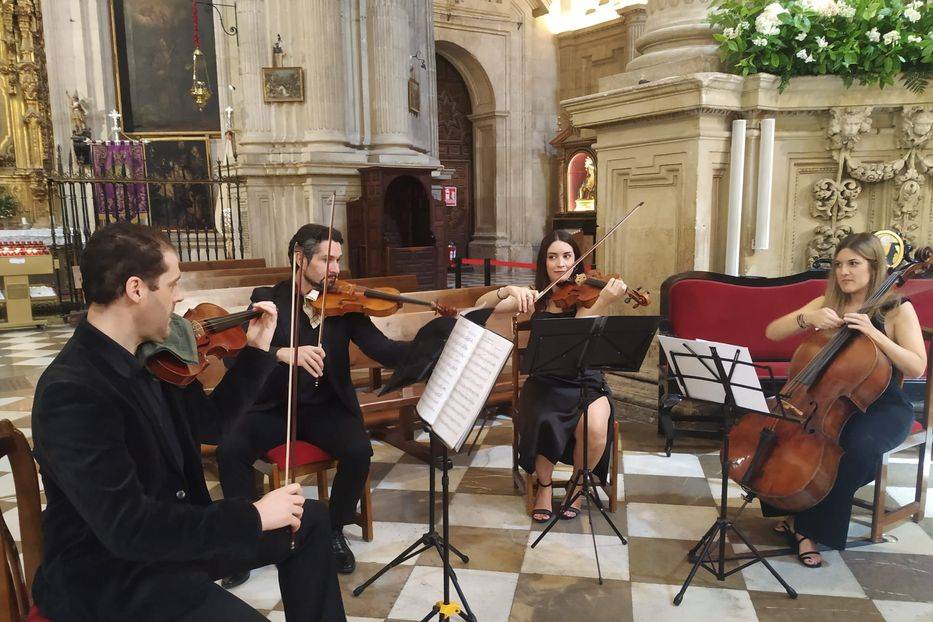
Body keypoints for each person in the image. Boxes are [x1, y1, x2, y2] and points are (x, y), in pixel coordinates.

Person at [30, 222, 346, 621]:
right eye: (173, 285)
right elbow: (129, 527)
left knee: (310, 520)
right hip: (112, 577)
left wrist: (257, 352)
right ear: (136, 289)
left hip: (169, 542)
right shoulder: (72, 392)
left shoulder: (152, 356)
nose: (180, 299)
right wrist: (254, 516)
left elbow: (211, 425)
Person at [217, 224, 409, 578]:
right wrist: (281, 354)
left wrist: (438, 343)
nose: (335, 269)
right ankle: (243, 539)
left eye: (337, 259)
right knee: (230, 449)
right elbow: (236, 357)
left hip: (325, 407)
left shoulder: (345, 305)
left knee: (358, 451)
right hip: (274, 407)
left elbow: (385, 350)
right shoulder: (268, 299)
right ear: (299, 259)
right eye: (326, 259)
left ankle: (333, 530)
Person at [762, 232, 927, 567]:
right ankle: (792, 504)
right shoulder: (827, 302)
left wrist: (874, 333)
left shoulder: (897, 308)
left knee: (856, 448)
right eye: (838, 264)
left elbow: (917, 365)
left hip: (882, 404)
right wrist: (807, 318)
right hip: (826, 399)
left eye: (854, 263)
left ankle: (806, 528)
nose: (844, 272)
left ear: (873, 266)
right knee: (781, 433)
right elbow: (773, 332)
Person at [475, 230, 627, 522]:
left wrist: (603, 303)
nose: (560, 263)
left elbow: (580, 337)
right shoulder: (536, 297)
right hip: (545, 382)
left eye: (567, 256)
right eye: (553, 257)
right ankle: (544, 486)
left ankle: (578, 486)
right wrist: (507, 290)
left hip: (587, 382)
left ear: (576, 260)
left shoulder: (591, 296)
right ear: (543, 262)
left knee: (595, 427)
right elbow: (481, 307)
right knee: (543, 416)